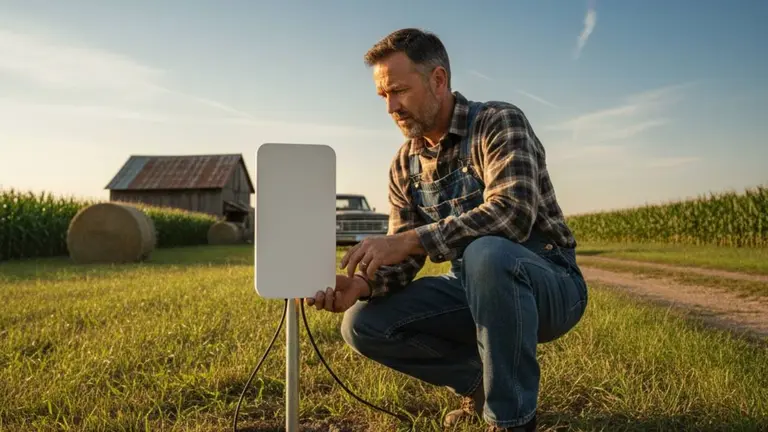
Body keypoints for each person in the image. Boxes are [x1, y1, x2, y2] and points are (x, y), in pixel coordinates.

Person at [305, 28, 588, 432]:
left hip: (551, 282)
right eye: (383, 96)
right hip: (471, 287)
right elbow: (402, 266)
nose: (391, 107)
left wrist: (411, 239)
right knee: (361, 323)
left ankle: (511, 420)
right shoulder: (405, 164)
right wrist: (362, 286)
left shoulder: (497, 122)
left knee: (486, 252)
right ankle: (479, 384)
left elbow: (513, 214)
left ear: (438, 79)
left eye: (399, 90)